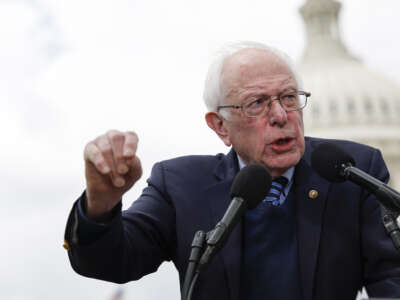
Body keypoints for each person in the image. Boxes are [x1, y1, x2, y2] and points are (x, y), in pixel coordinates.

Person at [63, 41, 400, 300]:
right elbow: (112, 261)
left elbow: (392, 277)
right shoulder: (181, 185)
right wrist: (100, 204)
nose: (281, 115)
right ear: (220, 126)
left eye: (288, 97)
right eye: (257, 103)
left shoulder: (352, 171)